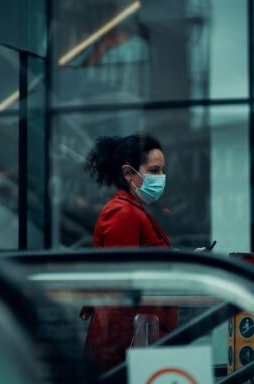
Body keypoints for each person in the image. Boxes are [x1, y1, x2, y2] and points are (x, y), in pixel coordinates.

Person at [82, 134, 177, 372]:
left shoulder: (133, 211)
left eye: (162, 170)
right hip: (125, 352)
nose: (161, 178)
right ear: (128, 173)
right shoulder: (123, 214)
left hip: (138, 343)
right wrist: (122, 366)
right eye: (154, 171)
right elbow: (119, 295)